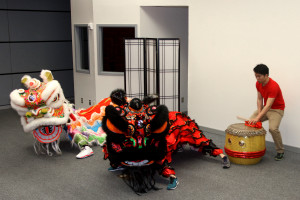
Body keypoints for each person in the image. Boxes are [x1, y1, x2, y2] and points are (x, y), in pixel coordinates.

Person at [249, 64, 285, 161]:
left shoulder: (273, 86)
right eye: (255, 76)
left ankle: (280, 151)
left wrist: (258, 118)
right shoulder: (258, 83)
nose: (257, 78)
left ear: (266, 75)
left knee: (273, 129)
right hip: (265, 108)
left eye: (259, 76)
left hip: (277, 110)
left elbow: (269, 105)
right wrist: (259, 114)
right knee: (250, 122)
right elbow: (260, 99)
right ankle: (254, 146)